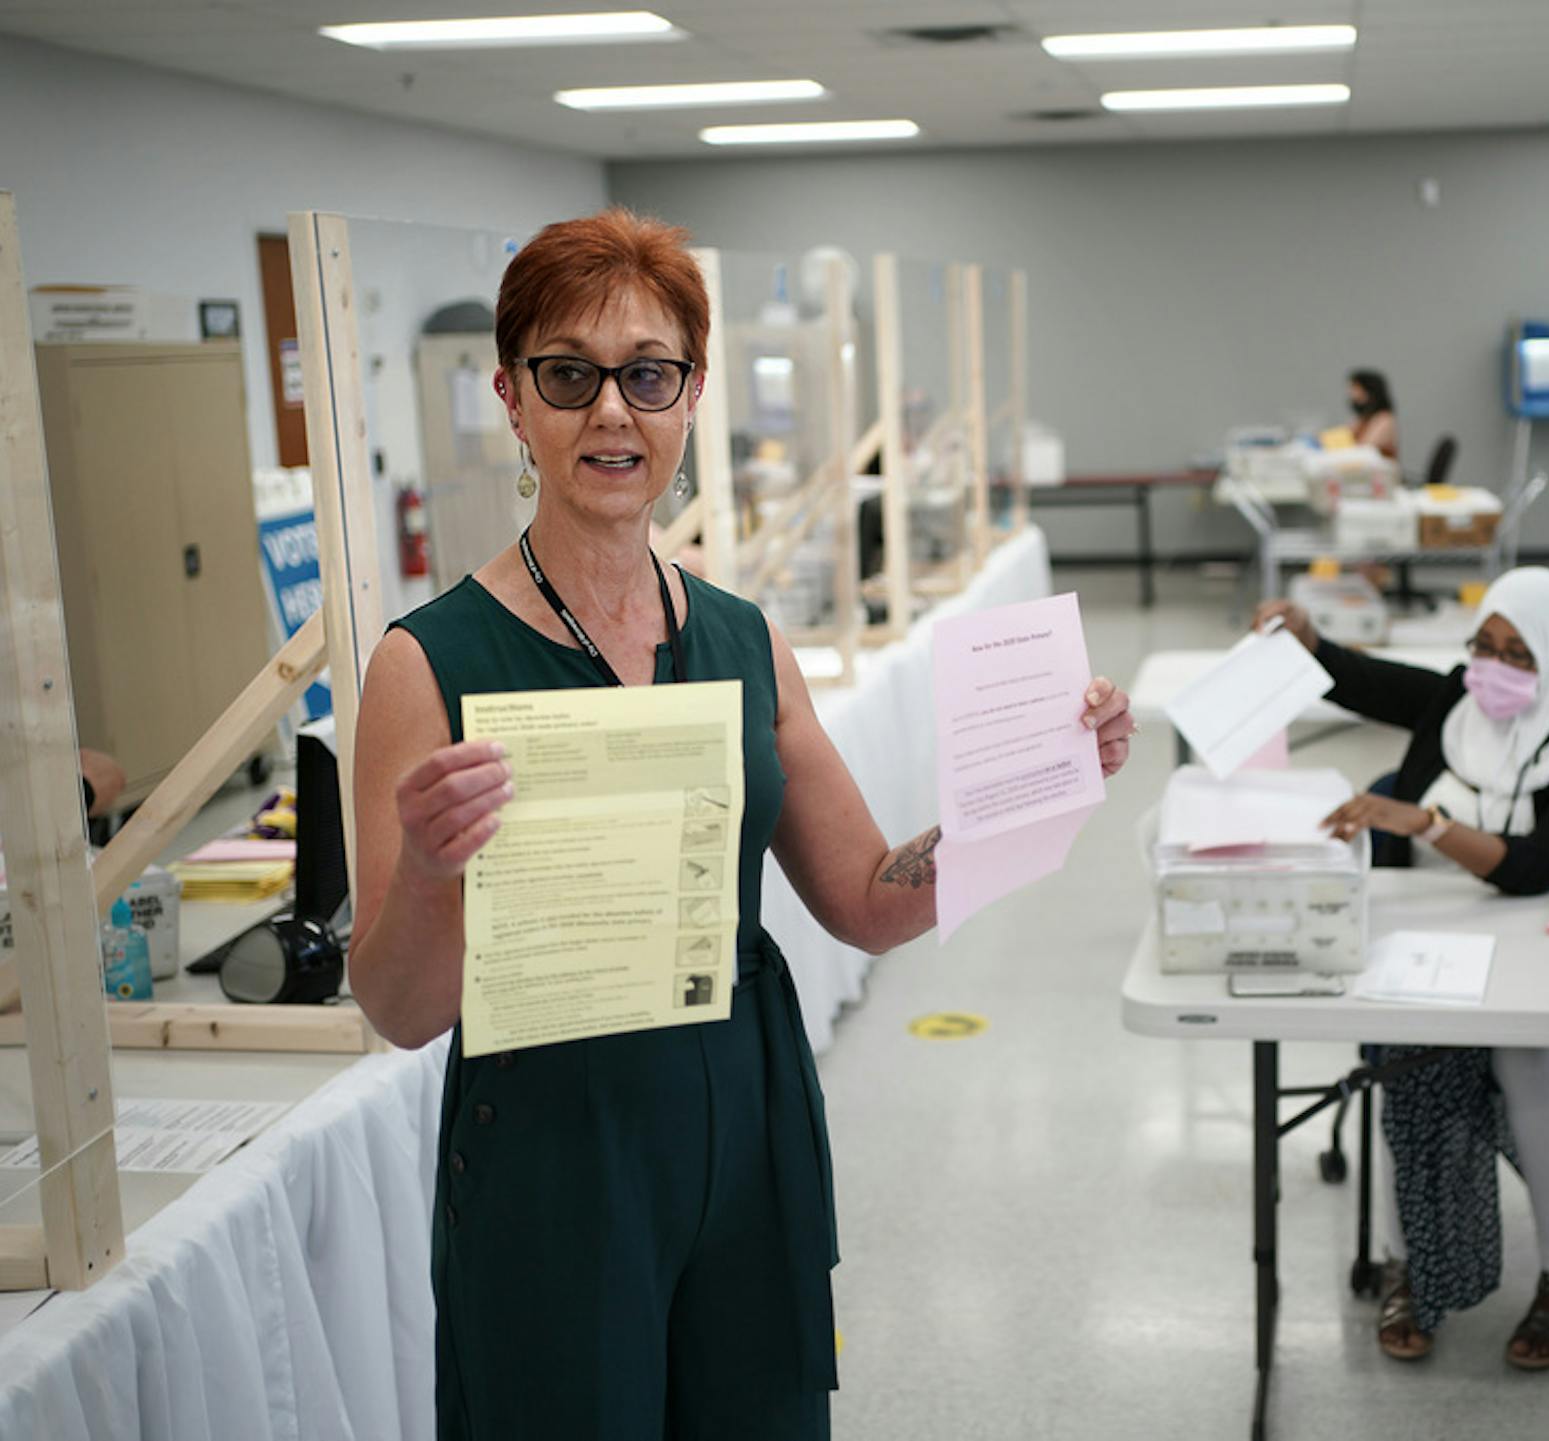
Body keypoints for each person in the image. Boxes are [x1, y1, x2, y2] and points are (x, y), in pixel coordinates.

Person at [347, 208, 1135, 1441]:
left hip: (745, 1116)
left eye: (648, 375)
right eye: (570, 375)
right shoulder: (426, 662)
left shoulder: (743, 638)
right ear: (513, 398)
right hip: (554, 1147)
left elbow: (870, 899)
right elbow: (396, 1011)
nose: (613, 412)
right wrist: (439, 872)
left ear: (692, 396)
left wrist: (1034, 781)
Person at [1254, 566, 1549, 1371]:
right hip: (1424, 951)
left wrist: (1426, 821)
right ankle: (1412, 1268)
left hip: (1541, 962)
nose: (1493, 668)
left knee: (1532, 1056)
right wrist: (1306, 638)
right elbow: (1354, 676)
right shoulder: (1451, 707)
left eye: (1518, 654)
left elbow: (1539, 865)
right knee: (1411, 1062)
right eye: (1484, 645)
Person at [1347, 368, 1399, 461]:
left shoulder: (1384, 419)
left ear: (1369, 391)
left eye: (1355, 388)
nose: (1351, 393)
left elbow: (1367, 448)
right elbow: (1346, 436)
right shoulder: (1362, 419)